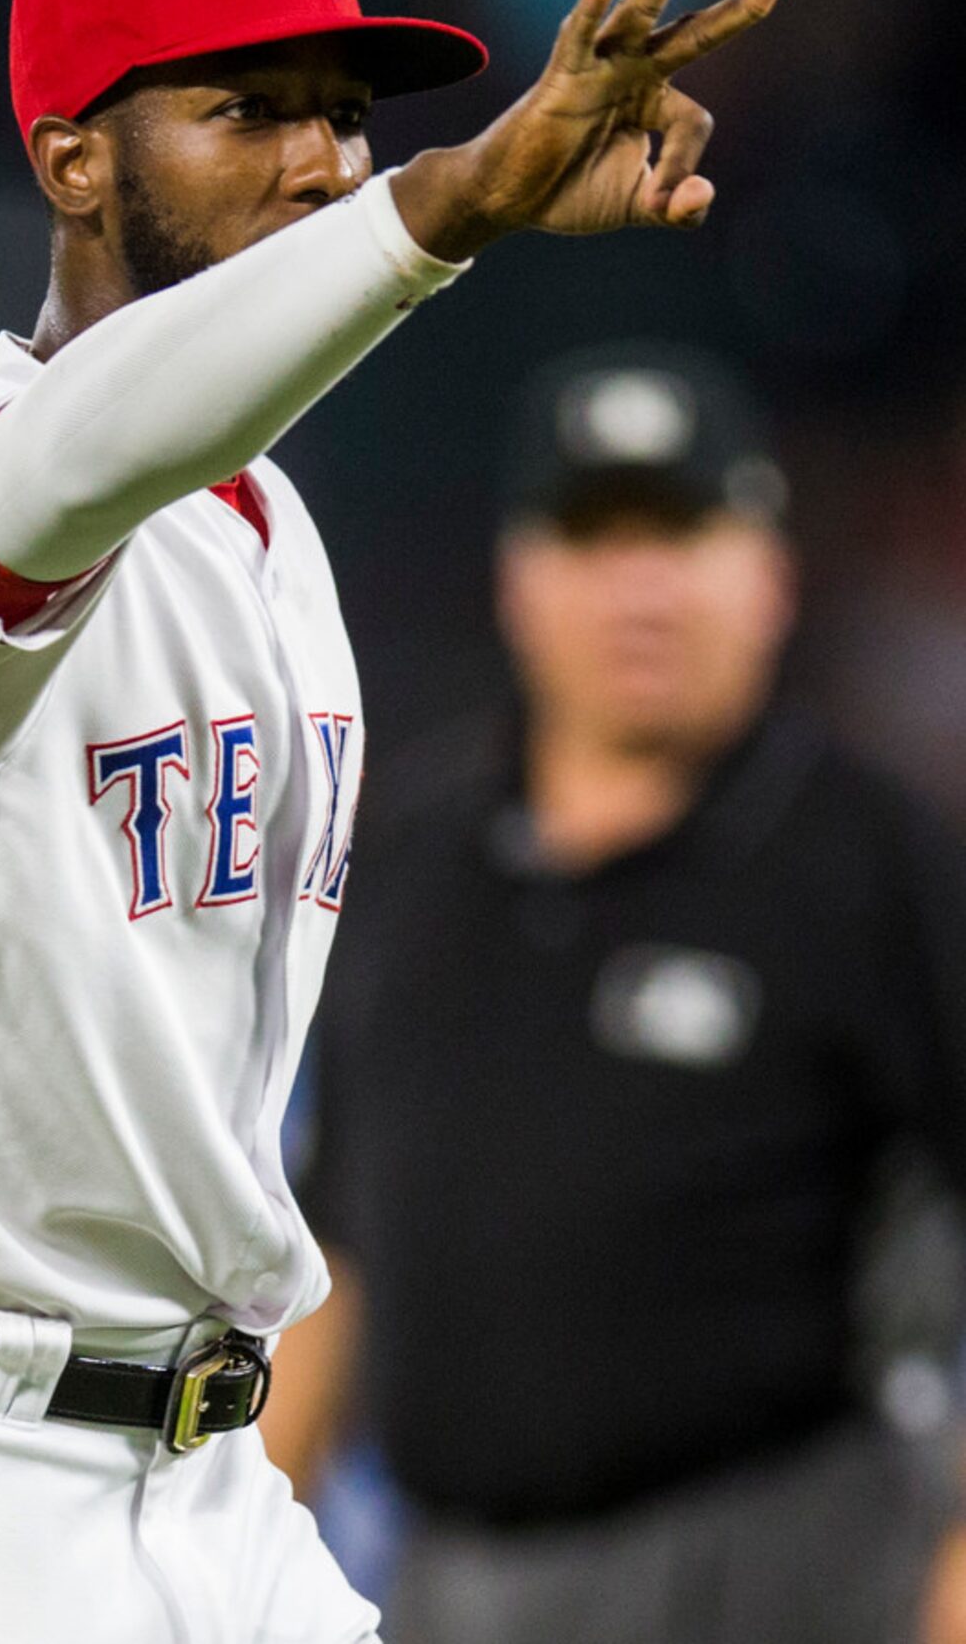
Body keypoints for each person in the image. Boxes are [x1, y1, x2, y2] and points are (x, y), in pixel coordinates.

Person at [0, 0, 785, 1643]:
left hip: (204, 1484)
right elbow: (85, 449)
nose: (320, 164)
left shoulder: (273, 539)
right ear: (71, 160)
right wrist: (447, 202)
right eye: (243, 110)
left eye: (343, 119)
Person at [263, 349, 966, 1644]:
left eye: (683, 530)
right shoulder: (413, 853)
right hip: (450, 1580)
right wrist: (246, 1544)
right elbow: (338, 1237)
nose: (637, 584)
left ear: (768, 575)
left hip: (789, 1572)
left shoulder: (869, 861)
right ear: (517, 576)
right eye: (590, 533)